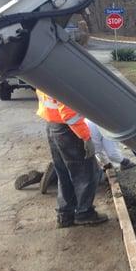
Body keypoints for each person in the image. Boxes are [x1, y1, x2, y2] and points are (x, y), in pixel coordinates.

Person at [36, 89, 108, 228]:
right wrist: (85, 137)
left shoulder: (45, 72)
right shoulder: (60, 75)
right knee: (86, 173)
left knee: (64, 174)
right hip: (68, 130)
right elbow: (69, 115)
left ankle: (65, 215)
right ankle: (84, 213)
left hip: (53, 125)